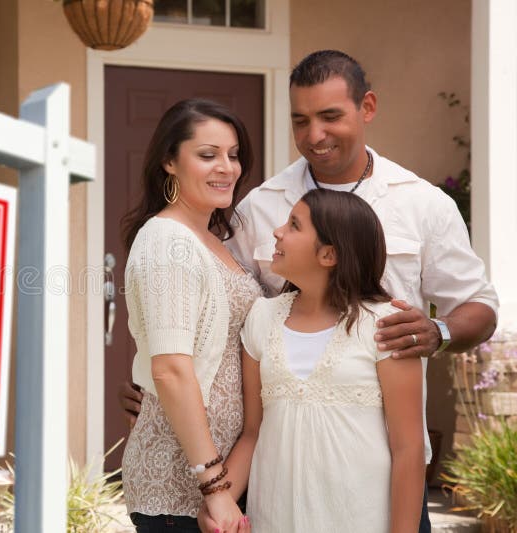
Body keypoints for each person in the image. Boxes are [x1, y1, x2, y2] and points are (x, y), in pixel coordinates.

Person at [121, 50, 499, 533]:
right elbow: (200, 305)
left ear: (367, 108)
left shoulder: (422, 203)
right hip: (272, 473)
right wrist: (154, 377)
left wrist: (437, 331)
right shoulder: (257, 206)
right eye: (300, 120)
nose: (314, 135)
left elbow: (481, 306)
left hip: (379, 472)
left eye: (330, 116)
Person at [217, 188, 425, 532]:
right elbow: (252, 433)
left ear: (329, 254)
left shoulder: (386, 325)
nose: (277, 231)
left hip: (360, 518)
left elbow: (409, 449)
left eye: (294, 225)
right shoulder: (262, 317)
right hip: (275, 516)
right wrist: (220, 499)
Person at [120, 98, 262, 533]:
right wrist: (216, 488)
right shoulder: (167, 240)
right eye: (208, 155)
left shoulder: (214, 239)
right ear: (169, 161)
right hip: (181, 489)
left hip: (221, 480)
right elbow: (171, 370)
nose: (227, 167)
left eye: (233, 155)